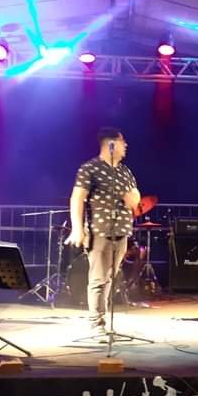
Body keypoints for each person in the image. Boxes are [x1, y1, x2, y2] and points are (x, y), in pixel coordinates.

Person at [65, 127, 141, 335]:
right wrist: (77, 228)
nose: (126, 146)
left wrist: (132, 197)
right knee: (98, 278)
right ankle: (96, 323)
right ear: (111, 144)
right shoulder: (90, 168)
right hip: (99, 231)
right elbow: (77, 198)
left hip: (122, 231)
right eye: (123, 142)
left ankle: (102, 320)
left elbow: (135, 199)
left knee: (109, 277)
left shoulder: (125, 171)